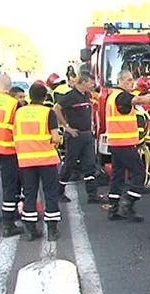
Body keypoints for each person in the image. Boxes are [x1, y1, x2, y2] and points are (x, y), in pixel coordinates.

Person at [106, 70, 150, 222]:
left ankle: (113, 208)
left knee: (118, 176)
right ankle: (127, 205)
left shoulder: (112, 96)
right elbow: (137, 100)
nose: (131, 83)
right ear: (120, 81)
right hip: (124, 144)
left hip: (116, 143)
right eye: (128, 80)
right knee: (139, 172)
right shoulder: (122, 96)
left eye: (131, 80)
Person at [13, 83, 61, 241]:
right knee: (50, 193)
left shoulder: (19, 112)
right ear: (45, 96)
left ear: (29, 96)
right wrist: (56, 142)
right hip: (46, 159)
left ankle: (31, 229)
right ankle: (52, 230)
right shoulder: (48, 112)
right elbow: (55, 137)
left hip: (26, 160)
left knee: (30, 194)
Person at [53, 71, 104, 203]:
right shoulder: (70, 96)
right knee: (70, 164)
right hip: (75, 135)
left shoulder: (86, 95)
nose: (92, 85)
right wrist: (67, 127)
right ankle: (59, 192)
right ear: (82, 83)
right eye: (90, 83)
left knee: (90, 165)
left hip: (87, 135)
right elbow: (56, 108)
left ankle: (92, 195)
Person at [0, 74, 23, 235]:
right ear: (9, 87)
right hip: (7, 149)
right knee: (9, 186)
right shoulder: (13, 104)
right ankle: (8, 223)